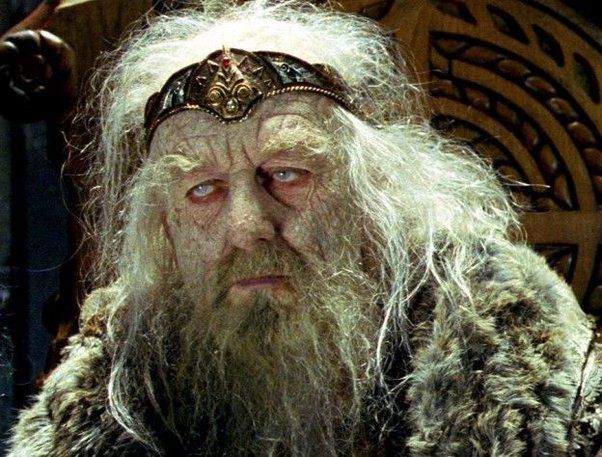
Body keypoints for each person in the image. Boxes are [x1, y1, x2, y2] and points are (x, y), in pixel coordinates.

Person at [8, 1, 602, 455]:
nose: (249, 226)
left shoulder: (530, 368)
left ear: (373, 195)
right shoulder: (112, 385)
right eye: (203, 189)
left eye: (287, 174)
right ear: (164, 227)